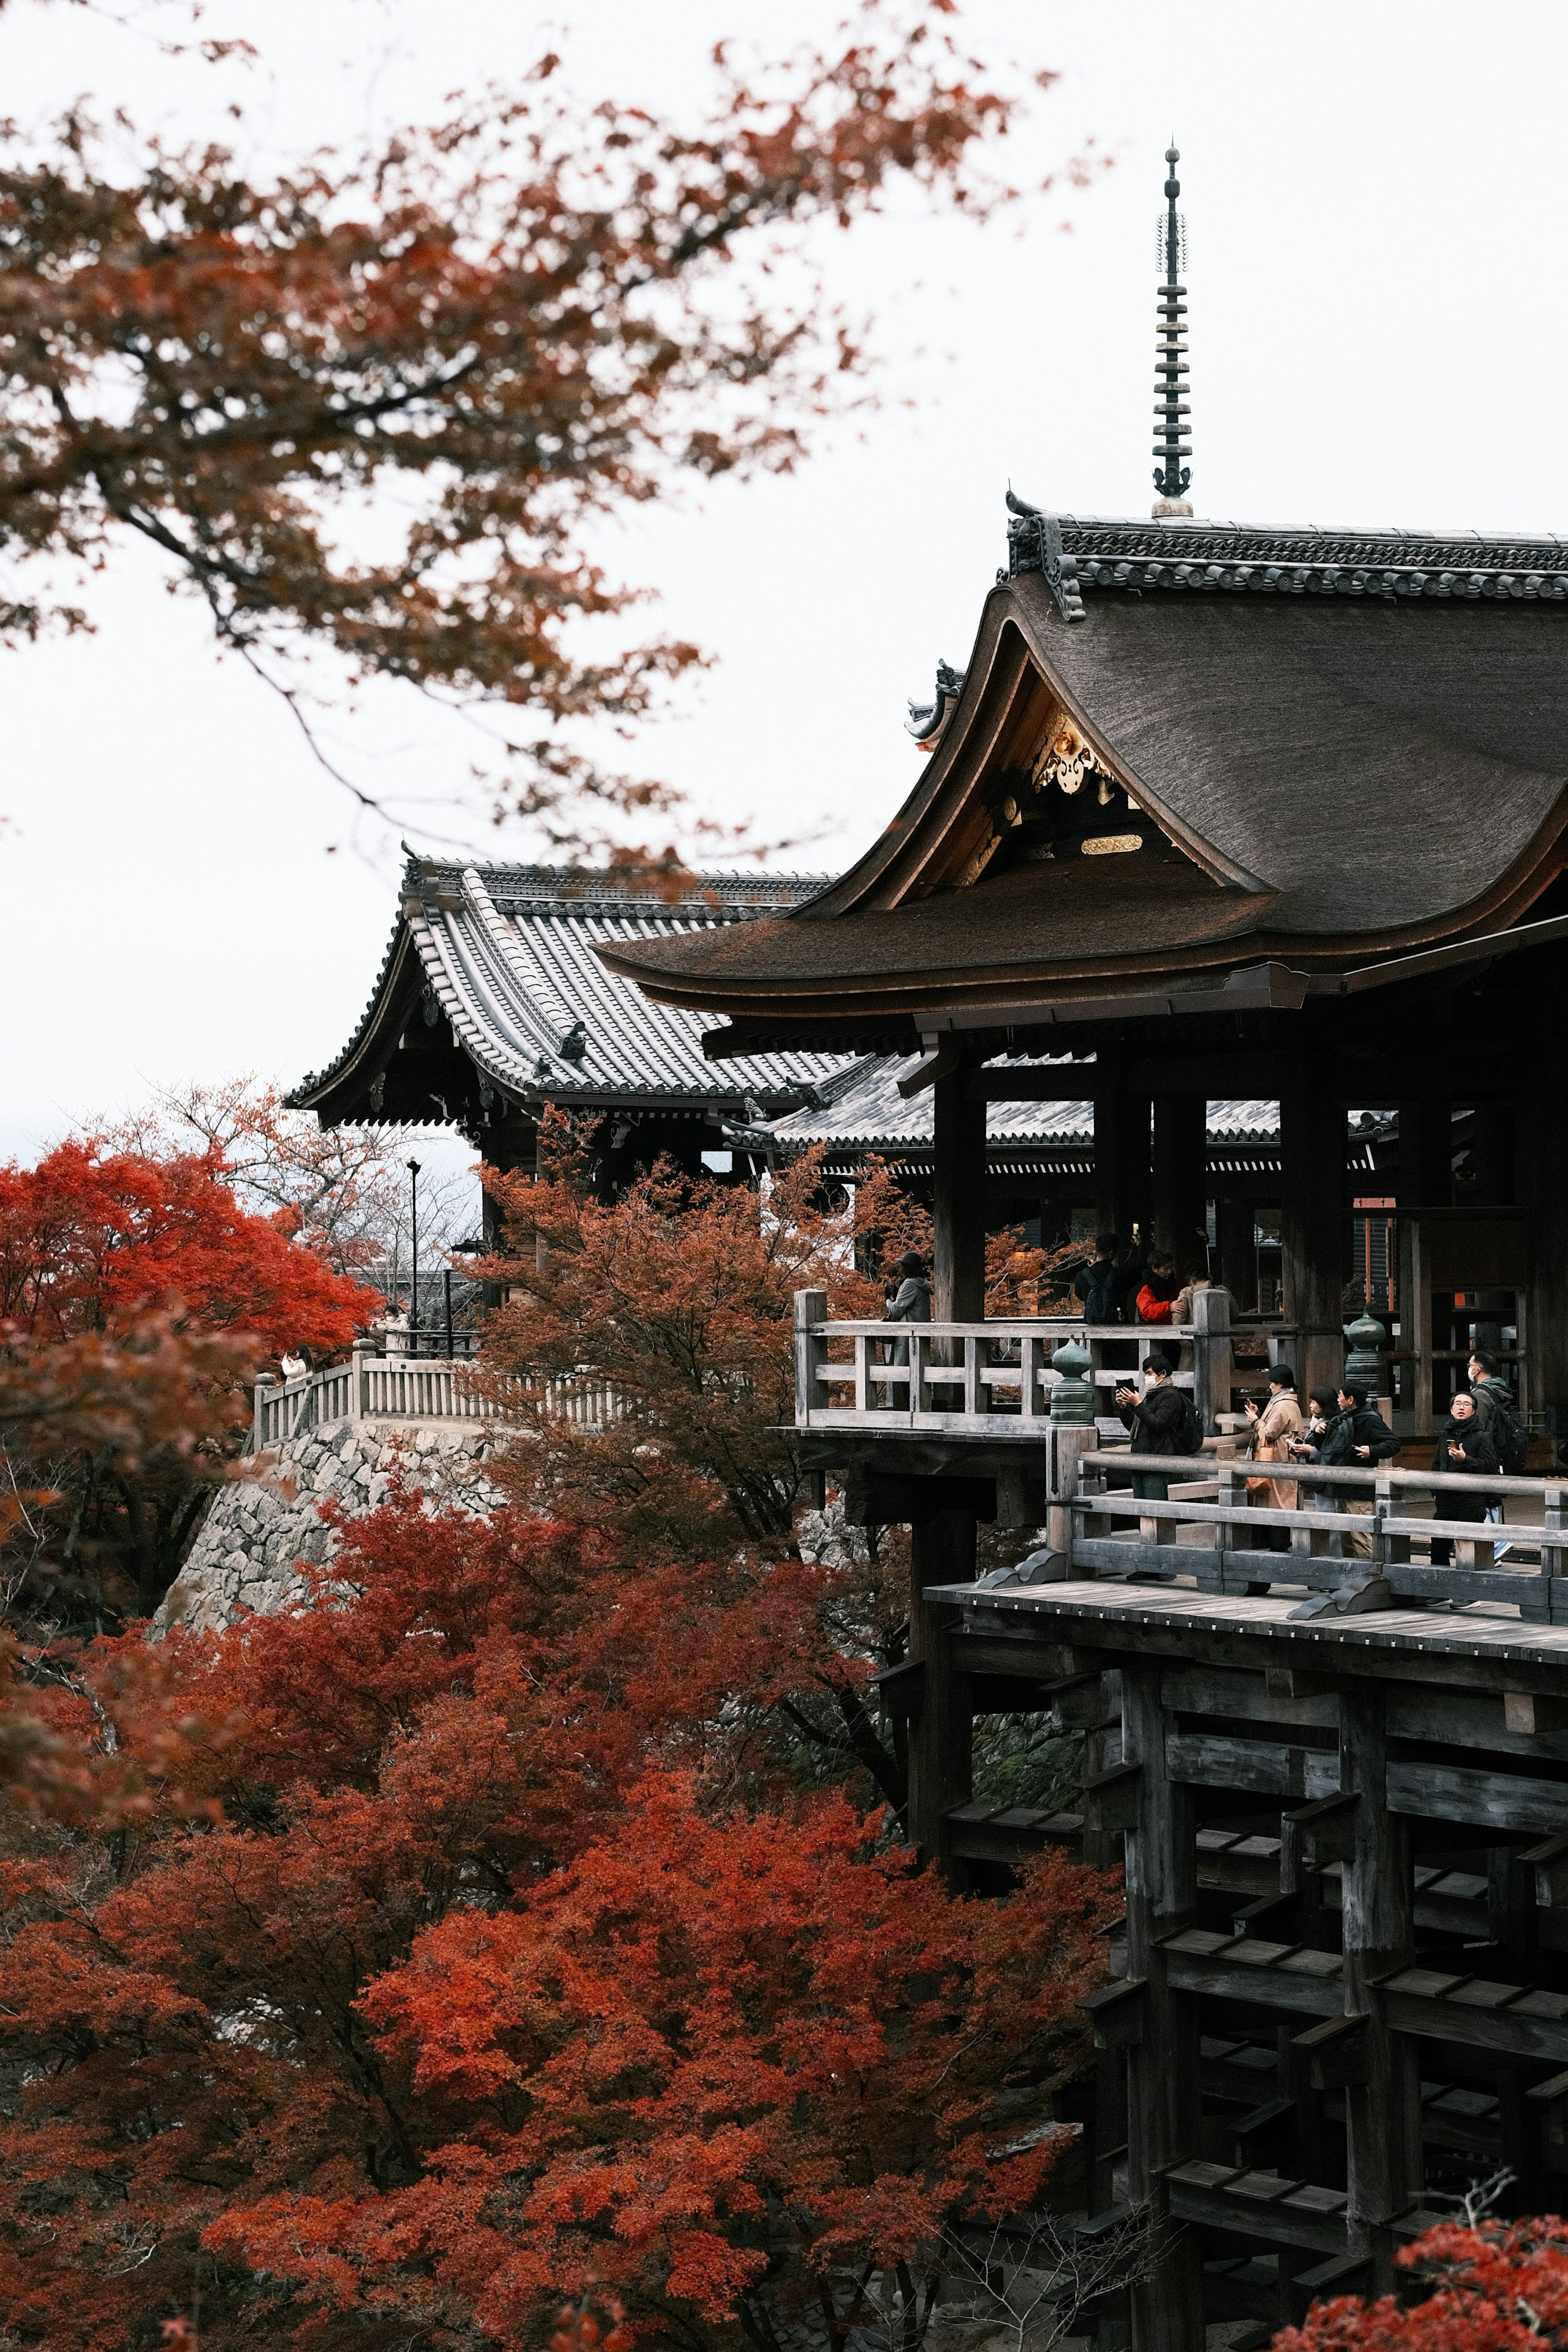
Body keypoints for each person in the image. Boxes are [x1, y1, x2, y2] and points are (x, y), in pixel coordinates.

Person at [1290, 1381, 1395, 1560]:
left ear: (1351, 1399)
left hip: (1359, 1490)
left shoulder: (1370, 1420)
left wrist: (1372, 1451)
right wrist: (1320, 1433)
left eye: (1340, 1396)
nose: (1338, 1399)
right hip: (1341, 1487)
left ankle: (1370, 1578)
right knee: (1345, 1539)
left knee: (1361, 1539)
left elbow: (1393, 1443)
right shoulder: (1343, 1418)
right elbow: (1326, 1450)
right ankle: (1348, 1578)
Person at [1114, 1355, 1200, 1502]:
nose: (1147, 1378)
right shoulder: (1150, 1396)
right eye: (1146, 1374)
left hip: (1157, 1461)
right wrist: (1124, 1407)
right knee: (1140, 1510)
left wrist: (1138, 1405)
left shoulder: (1171, 1396)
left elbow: (1158, 1424)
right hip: (1140, 1460)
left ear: (1163, 1374)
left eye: (1149, 1373)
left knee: (1155, 1509)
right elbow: (1134, 1427)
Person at [1431, 1391, 1500, 1567]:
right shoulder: (1446, 1434)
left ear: (1474, 1411)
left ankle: (1466, 1594)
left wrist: (1466, 1459)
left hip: (1470, 1502)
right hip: (1445, 1502)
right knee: (1438, 1551)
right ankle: (1440, 1592)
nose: (1461, 1407)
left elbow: (1491, 1467)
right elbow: (1437, 1464)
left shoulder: (1482, 1436)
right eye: (1458, 1404)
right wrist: (1435, 1491)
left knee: (1469, 1554)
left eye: (1467, 1405)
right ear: (1452, 1409)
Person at [1243, 1367, 1303, 1552]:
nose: (1270, 1386)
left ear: (1281, 1384)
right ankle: (1274, 1545)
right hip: (1279, 1459)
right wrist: (1260, 1415)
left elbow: (1268, 1433)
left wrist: (1255, 1420)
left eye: (1273, 1383)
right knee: (1275, 1502)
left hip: (1277, 1460)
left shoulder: (1284, 1404)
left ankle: (1277, 1547)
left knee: (1278, 1504)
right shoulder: (1284, 1402)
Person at [882, 1250, 931, 1372]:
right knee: (918, 1374)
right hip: (919, 1336)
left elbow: (895, 1311)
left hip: (909, 1339)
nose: (901, 1269)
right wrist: (898, 1294)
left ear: (908, 1268)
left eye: (903, 1266)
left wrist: (888, 1299)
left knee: (905, 1375)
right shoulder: (922, 1284)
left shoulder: (910, 1285)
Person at [1074, 1234, 1124, 1325]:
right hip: (1116, 1326)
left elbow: (1079, 1294)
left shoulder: (1083, 1275)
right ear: (1112, 1253)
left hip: (1092, 1326)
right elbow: (1140, 1269)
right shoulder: (1120, 1274)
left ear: (1096, 1251)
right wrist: (1140, 1244)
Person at [1134, 1253, 1182, 1324]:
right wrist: (1168, 1307)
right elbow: (1147, 1310)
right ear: (1154, 1269)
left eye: (1171, 1268)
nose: (1170, 1271)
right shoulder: (1147, 1290)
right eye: (1166, 1268)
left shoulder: (1174, 1285)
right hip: (1154, 1332)